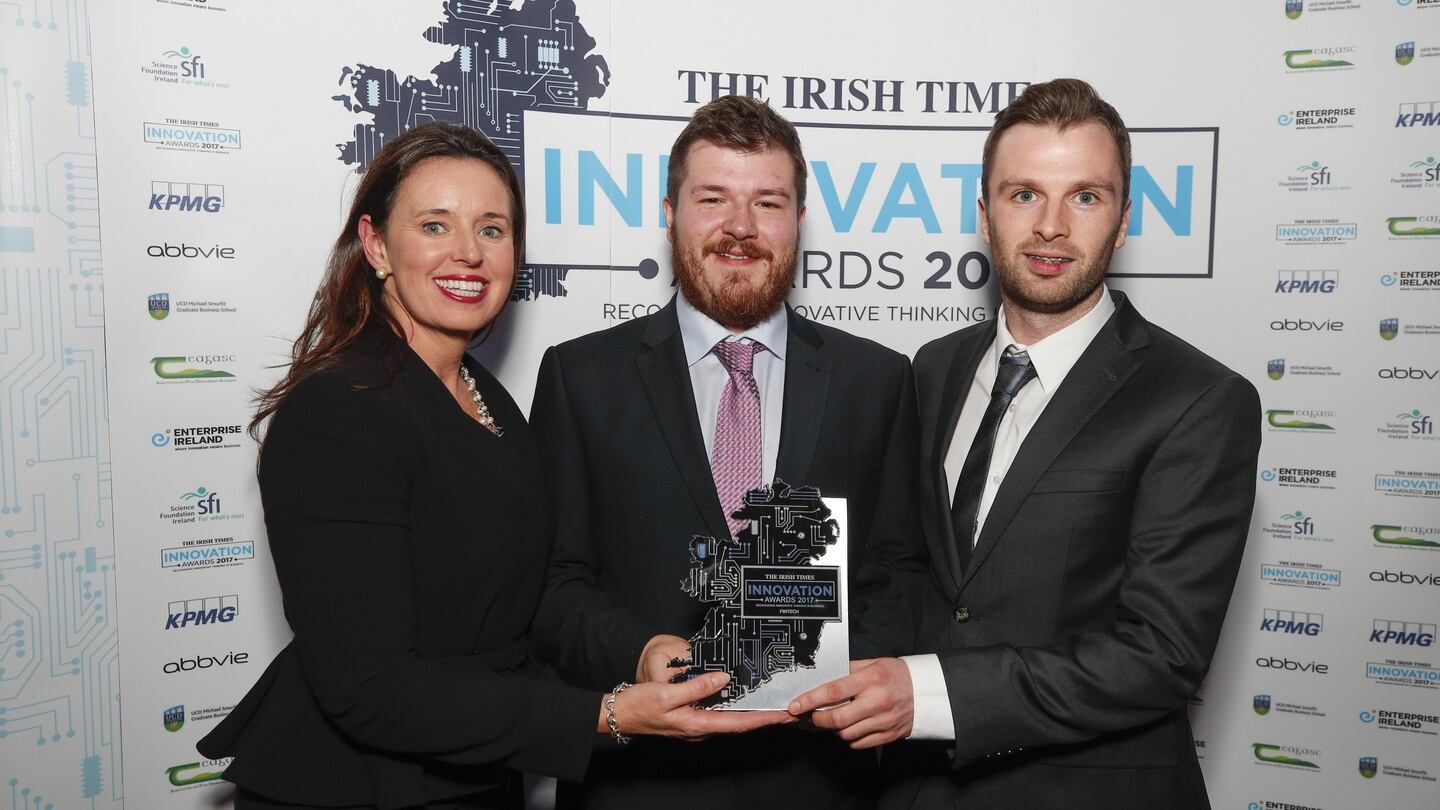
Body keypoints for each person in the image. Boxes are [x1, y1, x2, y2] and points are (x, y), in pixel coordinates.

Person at [196, 122, 784, 810]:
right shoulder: (338, 411)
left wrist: (642, 654)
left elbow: (518, 610)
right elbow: (370, 688)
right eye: (436, 225)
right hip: (359, 788)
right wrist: (610, 713)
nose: (468, 253)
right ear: (376, 244)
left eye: (493, 230)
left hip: (476, 775)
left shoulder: (486, 393)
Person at [788, 78, 1261, 809]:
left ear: (1125, 219)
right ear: (984, 213)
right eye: (1023, 194)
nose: (1051, 226)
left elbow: (1161, 652)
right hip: (918, 786)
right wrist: (769, 657)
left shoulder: (1198, 399)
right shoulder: (933, 367)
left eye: (1085, 196)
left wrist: (933, 694)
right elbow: (909, 569)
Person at [528, 95, 926, 810]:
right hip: (639, 786)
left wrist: (828, 670)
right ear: (670, 210)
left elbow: (897, 571)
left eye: (767, 203)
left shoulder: (878, 380)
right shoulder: (580, 377)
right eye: (712, 199)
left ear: (799, 220)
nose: (739, 229)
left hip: (816, 780)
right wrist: (643, 653)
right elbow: (552, 583)